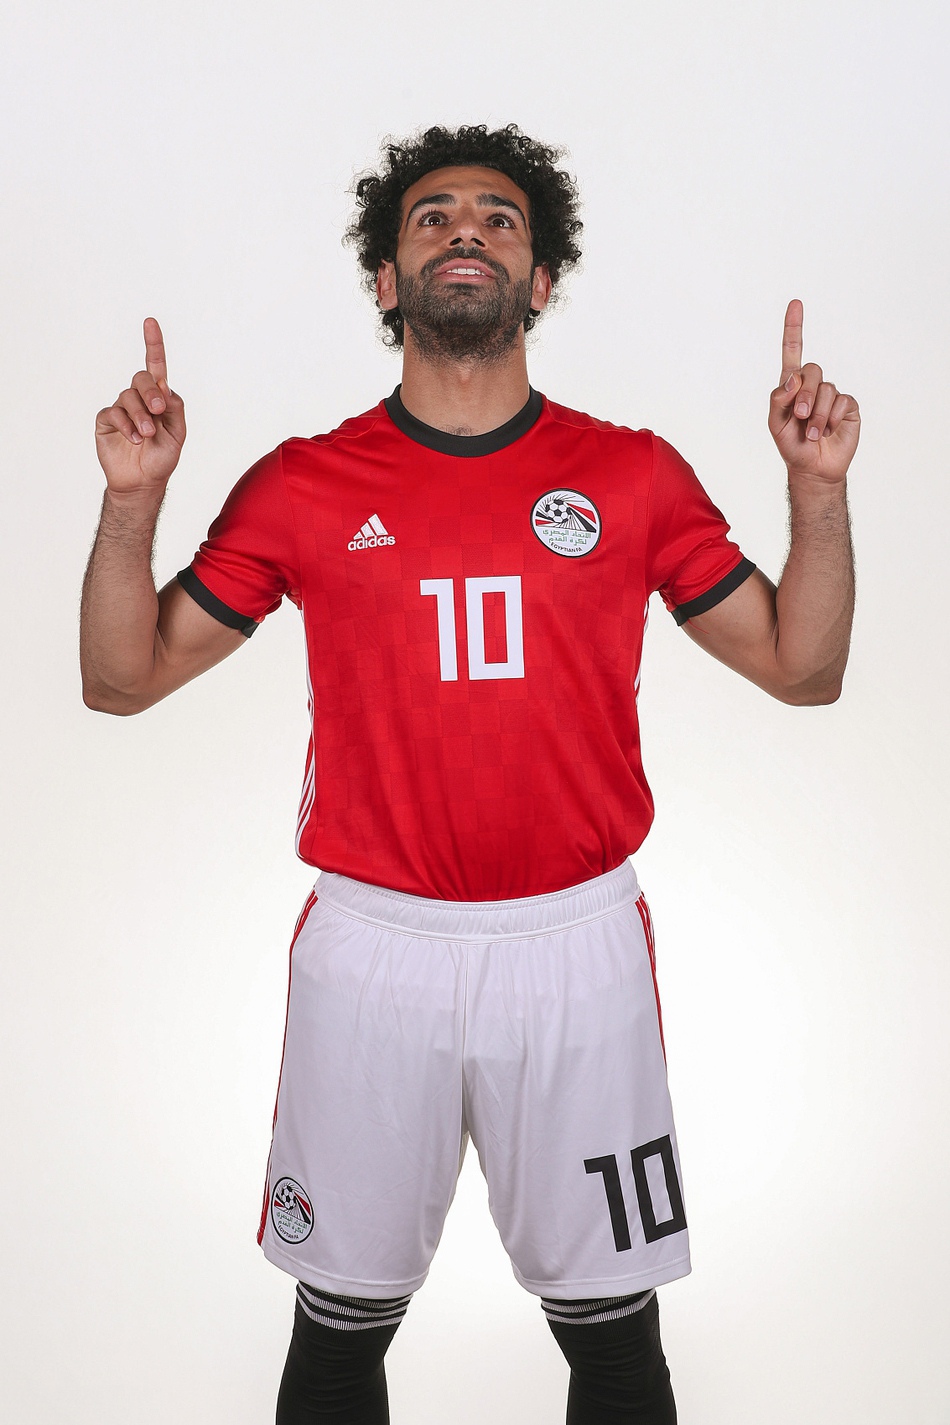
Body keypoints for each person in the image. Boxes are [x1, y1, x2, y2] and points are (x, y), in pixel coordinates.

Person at [80, 123, 858, 1424]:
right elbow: (121, 678)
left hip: (575, 948)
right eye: (432, 216)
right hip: (373, 951)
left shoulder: (631, 474)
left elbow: (803, 668)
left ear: (540, 278)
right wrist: (130, 501)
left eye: (499, 218)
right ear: (387, 278)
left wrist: (816, 488)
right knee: (338, 1331)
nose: (465, 233)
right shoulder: (304, 484)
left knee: (615, 1333)